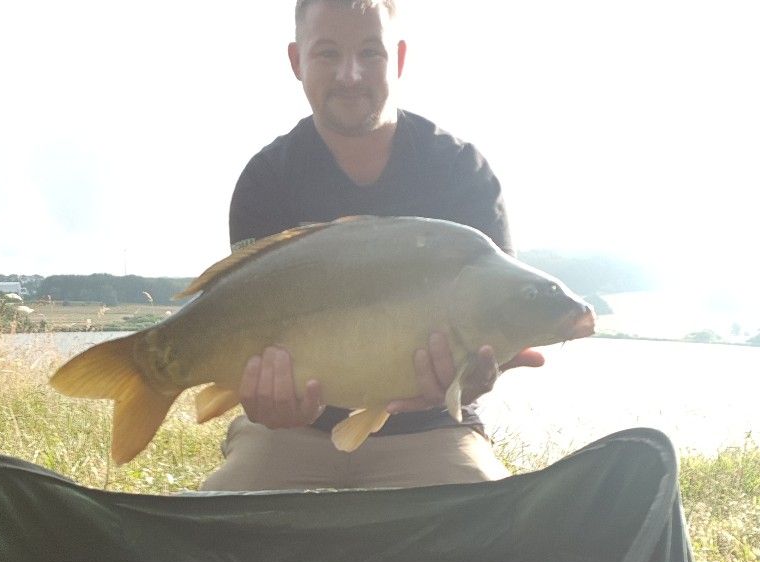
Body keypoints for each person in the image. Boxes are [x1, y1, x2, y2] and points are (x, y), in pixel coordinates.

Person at [200, 0, 544, 491]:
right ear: (296, 61)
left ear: (398, 59)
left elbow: (498, 324)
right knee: (222, 523)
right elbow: (244, 325)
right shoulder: (266, 181)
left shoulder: (461, 174)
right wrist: (263, 399)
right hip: (292, 431)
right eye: (327, 54)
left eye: (370, 53)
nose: (351, 74)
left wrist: (481, 375)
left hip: (433, 432)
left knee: (490, 527)